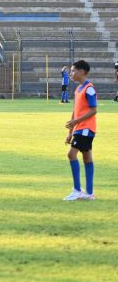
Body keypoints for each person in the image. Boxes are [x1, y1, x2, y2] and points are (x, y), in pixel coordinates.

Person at [63, 60, 97, 201]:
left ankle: (77, 190)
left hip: (86, 128)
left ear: (82, 72)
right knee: (87, 158)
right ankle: (89, 193)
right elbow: (75, 111)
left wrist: (76, 122)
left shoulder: (89, 88)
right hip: (79, 129)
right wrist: (70, 132)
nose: (71, 73)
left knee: (71, 154)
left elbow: (93, 110)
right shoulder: (78, 89)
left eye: (73, 71)